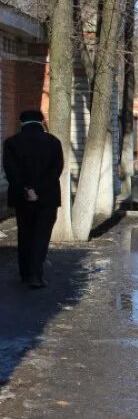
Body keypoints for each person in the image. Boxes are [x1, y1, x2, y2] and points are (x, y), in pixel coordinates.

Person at [2, 110, 64, 288]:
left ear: (21, 122)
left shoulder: (11, 143)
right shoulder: (53, 142)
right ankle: (35, 275)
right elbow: (56, 170)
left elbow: (11, 171)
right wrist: (38, 190)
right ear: (42, 121)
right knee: (41, 236)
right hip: (47, 198)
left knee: (25, 234)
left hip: (22, 199)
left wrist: (26, 190)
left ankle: (25, 273)